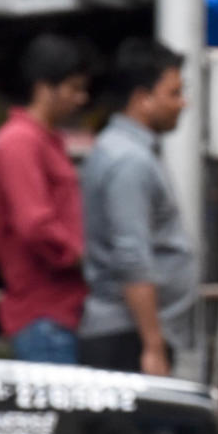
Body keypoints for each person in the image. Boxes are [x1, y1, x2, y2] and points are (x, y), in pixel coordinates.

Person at [78, 38, 193, 376]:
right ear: (143, 99)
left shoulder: (127, 150)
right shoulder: (128, 160)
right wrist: (152, 347)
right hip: (127, 339)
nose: (183, 103)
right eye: (174, 93)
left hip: (132, 335)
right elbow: (132, 259)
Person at [0, 34, 90, 363]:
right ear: (45, 88)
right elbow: (35, 223)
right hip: (42, 316)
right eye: (73, 88)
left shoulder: (47, 139)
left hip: (61, 312)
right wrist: (84, 257)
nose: (80, 98)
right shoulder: (20, 142)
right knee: (61, 415)